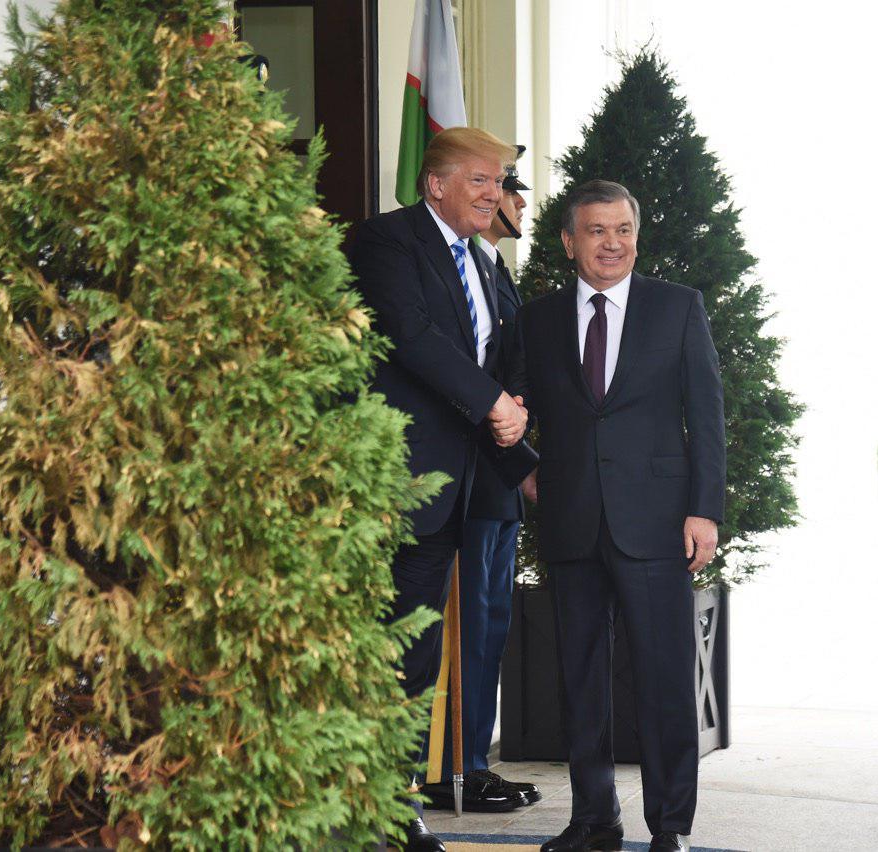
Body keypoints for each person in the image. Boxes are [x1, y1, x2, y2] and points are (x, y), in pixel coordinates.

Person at [508, 180, 726, 852]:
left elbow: (708, 417)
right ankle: (594, 819)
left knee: (664, 680)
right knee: (579, 680)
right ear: (570, 242)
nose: (612, 243)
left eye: (623, 229)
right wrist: (529, 477)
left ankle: (670, 828)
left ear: (637, 234)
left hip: (659, 524)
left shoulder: (677, 309)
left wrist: (704, 511)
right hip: (571, 523)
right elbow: (508, 413)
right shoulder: (536, 319)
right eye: (597, 231)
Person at [347, 126, 536, 852]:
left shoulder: (488, 262)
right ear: (435, 184)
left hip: (463, 490)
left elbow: (506, 351)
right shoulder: (387, 243)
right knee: (381, 646)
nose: (497, 195)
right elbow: (413, 336)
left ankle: (398, 806)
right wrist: (495, 405)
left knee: (419, 651)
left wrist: (518, 421)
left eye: (500, 183)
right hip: (396, 486)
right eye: (482, 181)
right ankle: (363, 803)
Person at [420, 150, 540, 811]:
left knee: (489, 625)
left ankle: (471, 760)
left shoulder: (496, 273)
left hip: (496, 477)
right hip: (461, 477)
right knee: (458, 627)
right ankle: (447, 770)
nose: (513, 203)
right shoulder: (456, 272)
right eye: (502, 190)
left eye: (509, 190)